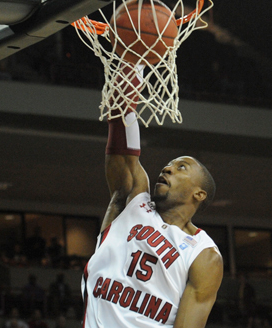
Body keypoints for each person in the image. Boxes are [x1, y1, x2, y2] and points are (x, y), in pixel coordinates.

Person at [82, 64, 223, 328]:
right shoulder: (133, 199)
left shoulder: (204, 254)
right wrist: (128, 81)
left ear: (199, 193)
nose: (168, 168)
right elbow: (123, 151)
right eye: (169, 164)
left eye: (181, 168)